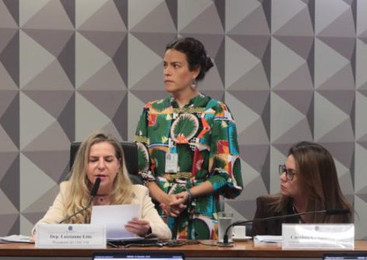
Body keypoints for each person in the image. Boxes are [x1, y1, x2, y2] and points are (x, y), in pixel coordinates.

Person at [134, 36, 243, 240]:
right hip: (158, 214)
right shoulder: (151, 111)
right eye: (165, 65)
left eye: (176, 66)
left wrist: (189, 193)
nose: (167, 72)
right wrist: (165, 199)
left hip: (201, 214)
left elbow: (226, 174)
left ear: (195, 71)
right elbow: (141, 171)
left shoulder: (216, 112)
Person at [35, 132, 171, 240]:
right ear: (84, 165)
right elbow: (41, 228)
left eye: (108, 160)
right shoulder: (69, 191)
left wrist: (148, 228)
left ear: (118, 164)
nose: (101, 166)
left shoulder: (138, 193)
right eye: (93, 160)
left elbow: (165, 232)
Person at [251, 141, 353, 236]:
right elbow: (257, 253)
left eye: (290, 173)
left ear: (312, 179)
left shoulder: (337, 211)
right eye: (284, 170)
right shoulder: (268, 208)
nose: (282, 177)